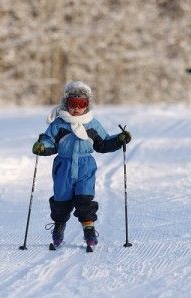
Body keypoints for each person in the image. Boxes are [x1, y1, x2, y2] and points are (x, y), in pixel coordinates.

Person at [32, 81, 132, 252]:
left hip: (86, 167)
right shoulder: (59, 124)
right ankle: (58, 229)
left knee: (84, 200)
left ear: (87, 104)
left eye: (81, 104)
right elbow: (50, 142)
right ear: (66, 103)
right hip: (63, 167)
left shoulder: (92, 124)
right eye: (73, 103)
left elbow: (103, 143)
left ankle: (89, 232)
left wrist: (118, 140)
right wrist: (42, 146)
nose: (76, 108)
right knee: (61, 201)